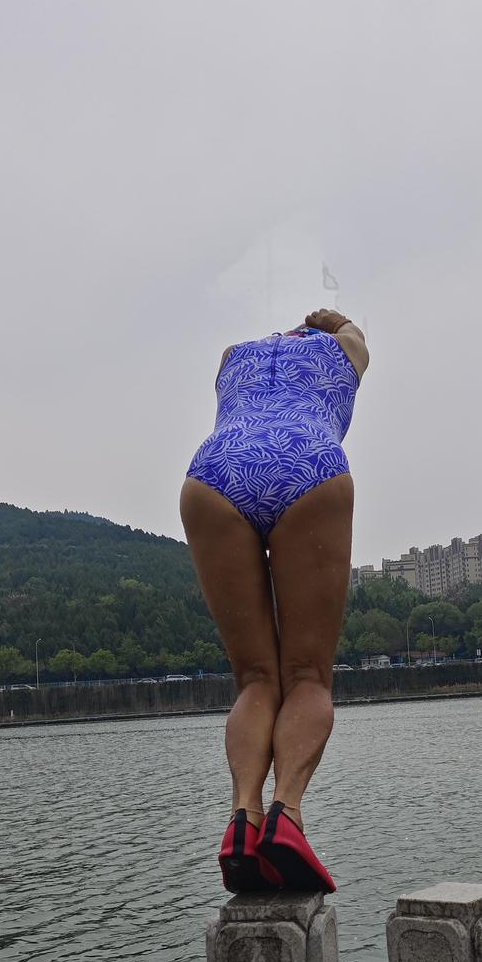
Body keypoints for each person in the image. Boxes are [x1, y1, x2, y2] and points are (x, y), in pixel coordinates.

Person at [180, 309, 369, 893]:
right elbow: (356, 338)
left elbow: (232, 369)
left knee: (256, 677)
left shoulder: (233, 357)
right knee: (307, 674)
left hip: (215, 470)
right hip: (308, 461)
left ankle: (244, 818)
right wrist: (330, 321)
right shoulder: (339, 349)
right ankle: (286, 815)